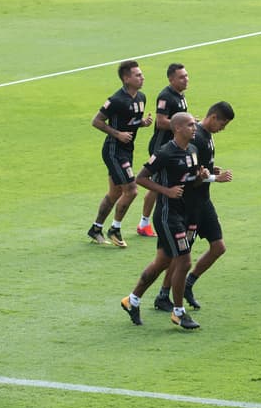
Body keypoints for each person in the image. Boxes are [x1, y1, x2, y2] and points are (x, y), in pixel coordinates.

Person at [120, 112, 209, 330]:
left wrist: (201, 177)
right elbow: (141, 178)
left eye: (194, 124)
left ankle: (131, 300)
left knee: (162, 262)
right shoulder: (165, 153)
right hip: (169, 216)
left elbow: (190, 183)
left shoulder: (193, 150)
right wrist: (166, 191)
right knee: (184, 261)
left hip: (184, 212)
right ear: (177, 128)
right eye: (189, 125)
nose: (194, 127)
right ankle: (178, 313)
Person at [157, 101, 235, 313]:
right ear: (213, 118)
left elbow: (200, 167)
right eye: (223, 124)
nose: (223, 128)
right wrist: (214, 177)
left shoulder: (205, 136)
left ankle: (189, 284)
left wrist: (211, 169)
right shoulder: (196, 137)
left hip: (203, 202)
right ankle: (164, 294)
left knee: (218, 247)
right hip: (189, 204)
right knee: (181, 255)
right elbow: (191, 174)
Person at [87, 60, 153, 247]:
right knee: (131, 190)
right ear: (126, 78)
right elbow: (97, 121)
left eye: (141, 74)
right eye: (137, 75)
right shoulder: (116, 100)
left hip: (127, 151)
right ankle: (115, 228)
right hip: (114, 151)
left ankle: (95, 228)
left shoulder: (141, 97)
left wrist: (143, 123)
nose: (142, 77)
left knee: (115, 192)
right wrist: (118, 134)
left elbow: (131, 120)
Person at [137, 63, 190, 238]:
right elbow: (161, 121)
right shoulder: (166, 96)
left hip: (173, 147)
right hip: (162, 147)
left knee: (162, 183)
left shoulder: (180, 96)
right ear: (171, 79)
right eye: (181, 77)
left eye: (186, 75)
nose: (186, 79)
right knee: (157, 184)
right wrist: (185, 124)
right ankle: (144, 223)